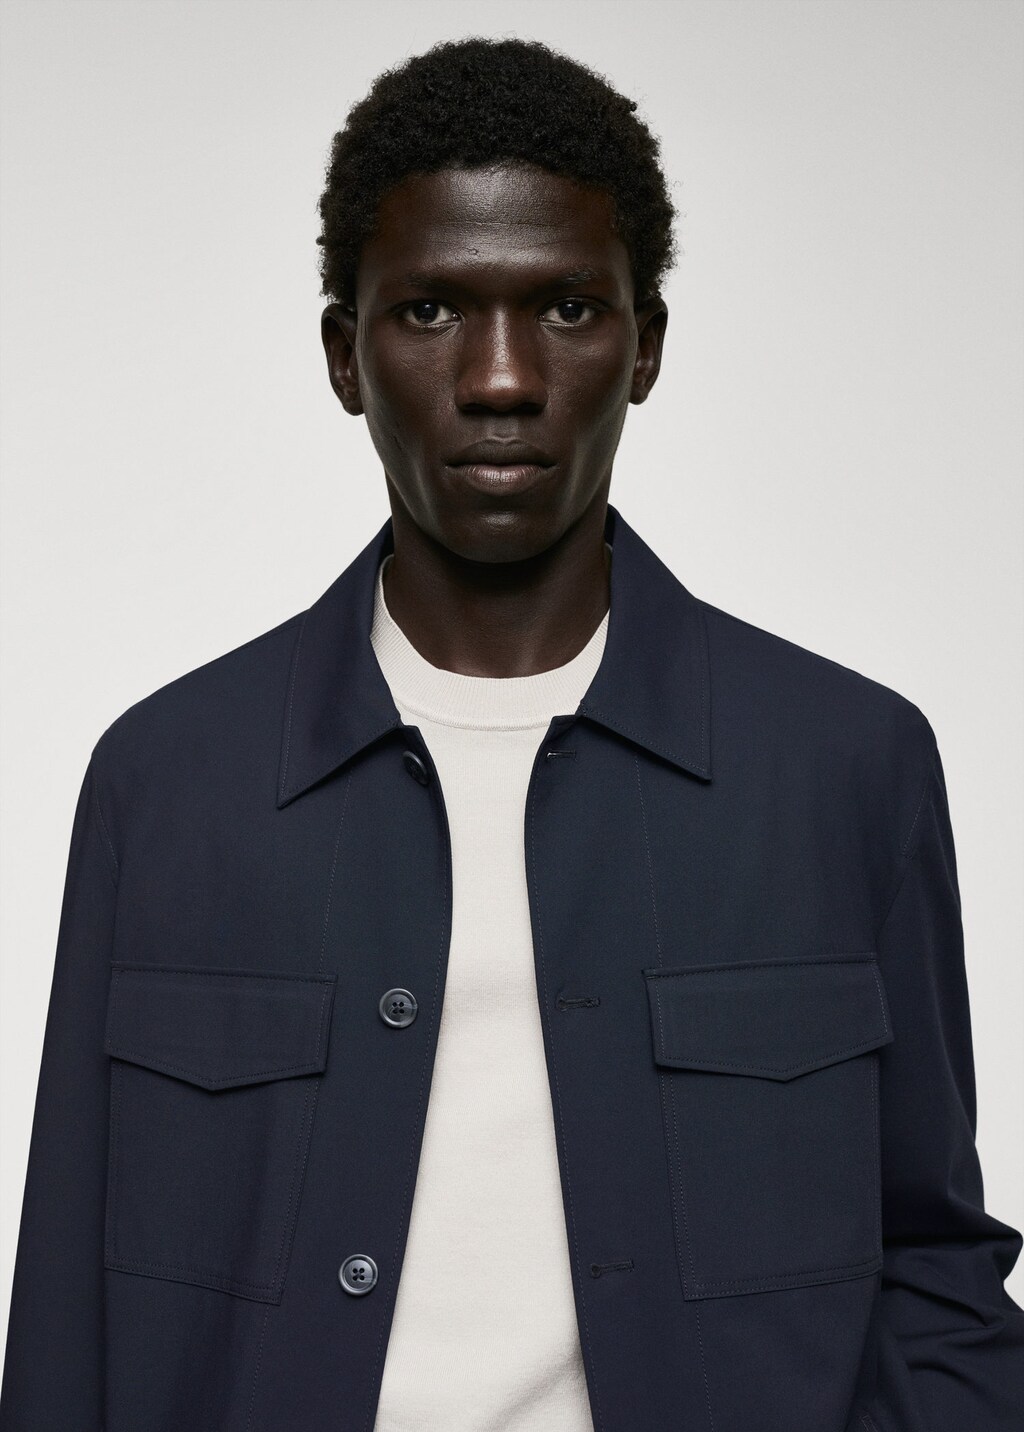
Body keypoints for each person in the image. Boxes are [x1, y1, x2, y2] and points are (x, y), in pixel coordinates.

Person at [1, 34, 1022, 1432]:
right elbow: (68, 1315)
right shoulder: (169, 782)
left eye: (567, 309)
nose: (498, 379)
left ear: (645, 346)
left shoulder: (848, 768)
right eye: (429, 311)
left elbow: (937, 1273)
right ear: (344, 356)